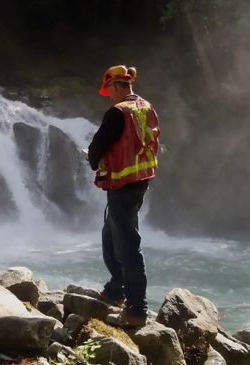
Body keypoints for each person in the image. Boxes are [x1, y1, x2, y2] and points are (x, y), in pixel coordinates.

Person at [88, 65, 160, 327]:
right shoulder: (145, 106)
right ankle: (116, 288)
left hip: (122, 185)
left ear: (118, 86)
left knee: (128, 245)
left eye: (109, 91)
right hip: (140, 181)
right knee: (111, 235)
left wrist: (93, 161)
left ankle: (137, 309)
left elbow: (98, 145)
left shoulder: (118, 112)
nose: (108, 96)